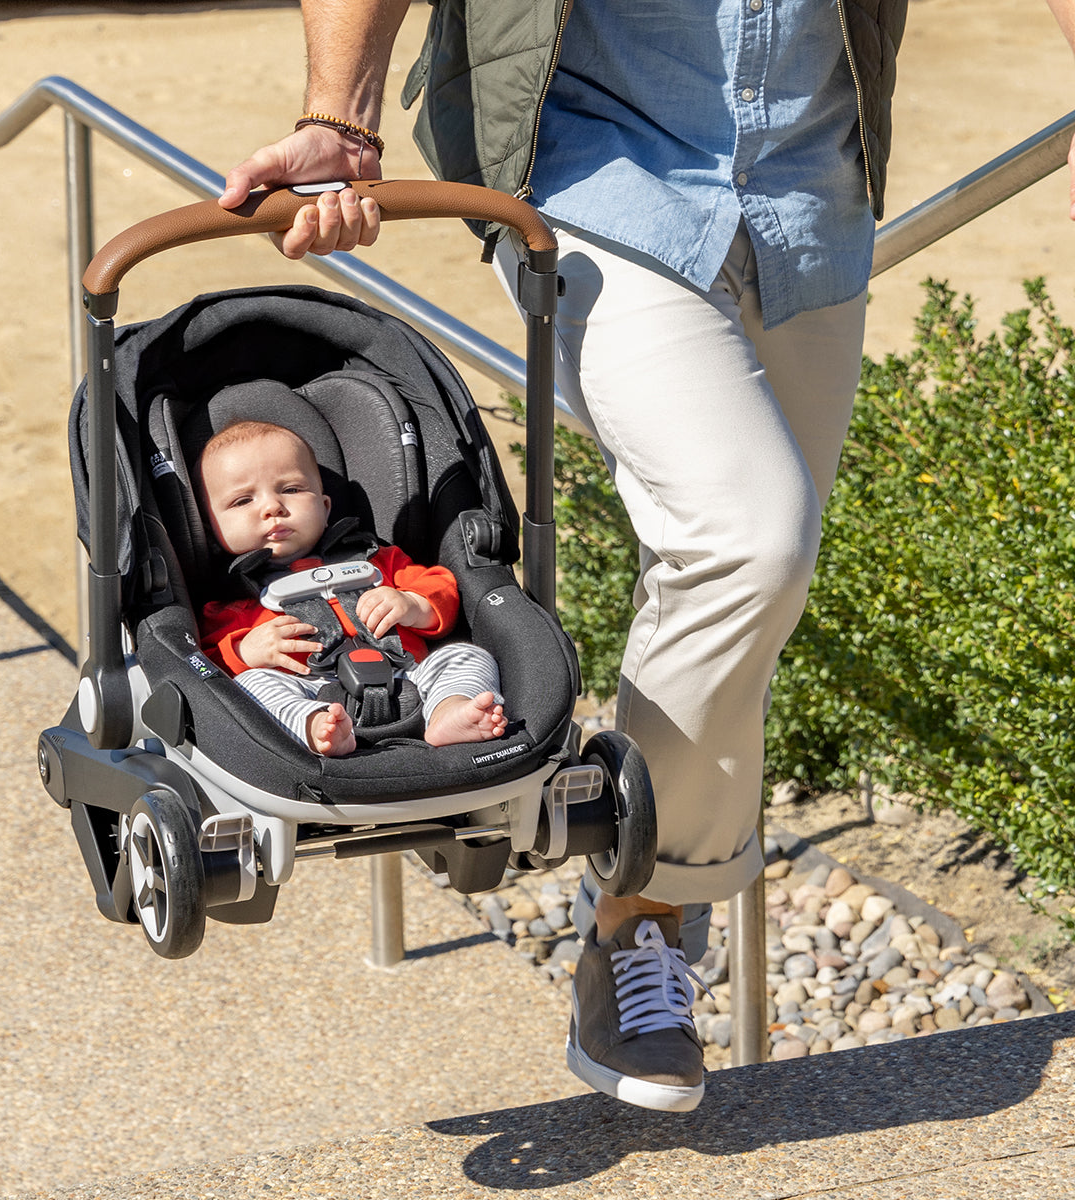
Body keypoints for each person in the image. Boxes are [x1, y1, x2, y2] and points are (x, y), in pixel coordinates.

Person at [218, 0, 1075, 1112]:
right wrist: (344, 115)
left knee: (760, 572)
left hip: (811, 181)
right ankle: (639, 928)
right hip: (597, 172)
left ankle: (647, 883)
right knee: (746, 539)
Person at [195, 419, 507, 756]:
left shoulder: (377, 561)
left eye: (291, 489)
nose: (273, 508)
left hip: (408, 676)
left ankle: (449, 710)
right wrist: (245, 652)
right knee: (251, 686)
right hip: (309, 691)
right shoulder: (230, 603)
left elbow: (441, 588)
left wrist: (412, 604)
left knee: (465, 655)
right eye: (242, 501)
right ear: (212, 528)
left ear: (325, 507)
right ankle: (313, 728)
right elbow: (204, 666)